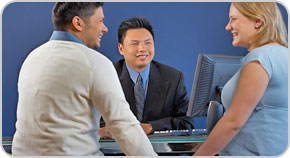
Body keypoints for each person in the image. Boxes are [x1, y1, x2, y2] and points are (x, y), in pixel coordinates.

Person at [12, 2, 157, 156]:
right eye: (100, 21)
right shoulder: (94, 62)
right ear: (78, 23)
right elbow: (124, 127)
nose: (105, 28)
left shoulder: (32, 58)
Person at [194, 2, 288, 156]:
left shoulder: (260, 57)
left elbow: (233, 122)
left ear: (258, 21)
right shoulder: (283, 54)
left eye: (233, 19)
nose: (228, 27)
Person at [98, 17, 194, 138]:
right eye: (135, 43)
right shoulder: (105, 75)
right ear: (121, 48)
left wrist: (150, 127)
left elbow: (186, 123)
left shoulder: (174, 78)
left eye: (148, 43)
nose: (142, 49)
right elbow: (95, 122)